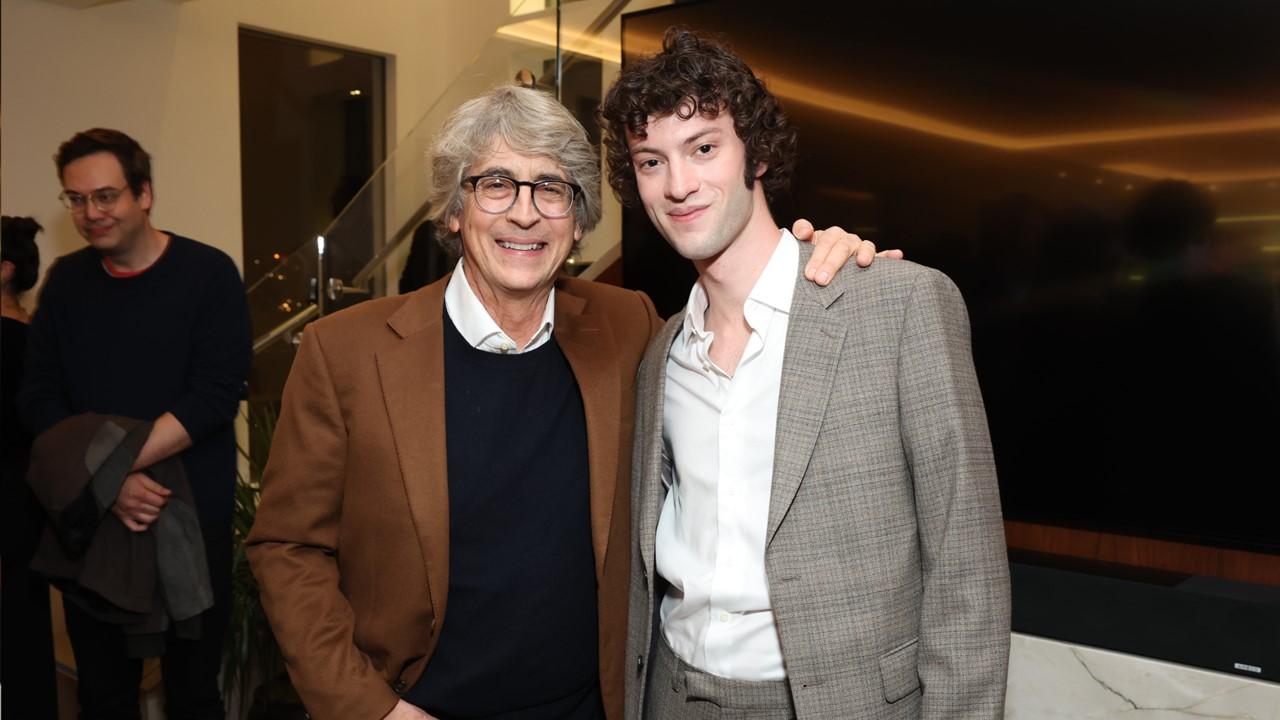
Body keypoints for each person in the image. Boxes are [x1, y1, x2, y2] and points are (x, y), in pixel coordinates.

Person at [246, 85, 883, 720]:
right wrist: (369, 709)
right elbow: (287, 548)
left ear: (578, 221)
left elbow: (740, 321)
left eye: (551, 189)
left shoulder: (628, 325)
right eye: (496, 183)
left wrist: (820, 253)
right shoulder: (347, 351)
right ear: (452, 211)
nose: (524, 214)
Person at [600, 28, 1010, 719]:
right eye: (650, 162)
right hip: (675, 695)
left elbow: (967, 572)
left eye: (704, 148)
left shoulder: (899, 306)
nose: (678, 185)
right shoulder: (661, 353)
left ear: (755, 152)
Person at [17, 128, 252, 719]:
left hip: (193, 518)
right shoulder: (66, 282)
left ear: (143, 193)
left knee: (194, 696)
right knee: (103, 696)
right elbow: (40, 399)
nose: (90, 213)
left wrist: (112, 467)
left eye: (105, 196)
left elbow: (214, 397)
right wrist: (109, 486)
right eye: (76, 199)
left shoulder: (208, 273)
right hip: (94, 526)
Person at [2, 215, 59, 719]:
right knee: (25, 629)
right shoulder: (37, 338)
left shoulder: (15, 340)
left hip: (12, 503)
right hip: (30, 504)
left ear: (4, 269)